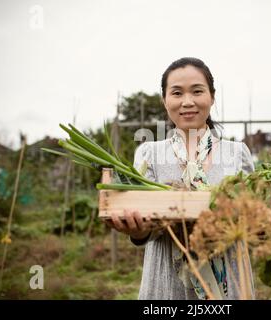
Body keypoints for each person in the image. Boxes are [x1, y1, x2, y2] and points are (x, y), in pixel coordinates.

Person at [106, 57, 255, 300]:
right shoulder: (149, 154)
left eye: (197, 91)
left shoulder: (237, 153)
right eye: (177, 93)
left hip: (228, 284)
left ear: (212, 96)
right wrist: (139, 230)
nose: (188, 102)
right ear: (165, 100)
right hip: (166, 287)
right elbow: (146, 225)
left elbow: (252, 219)